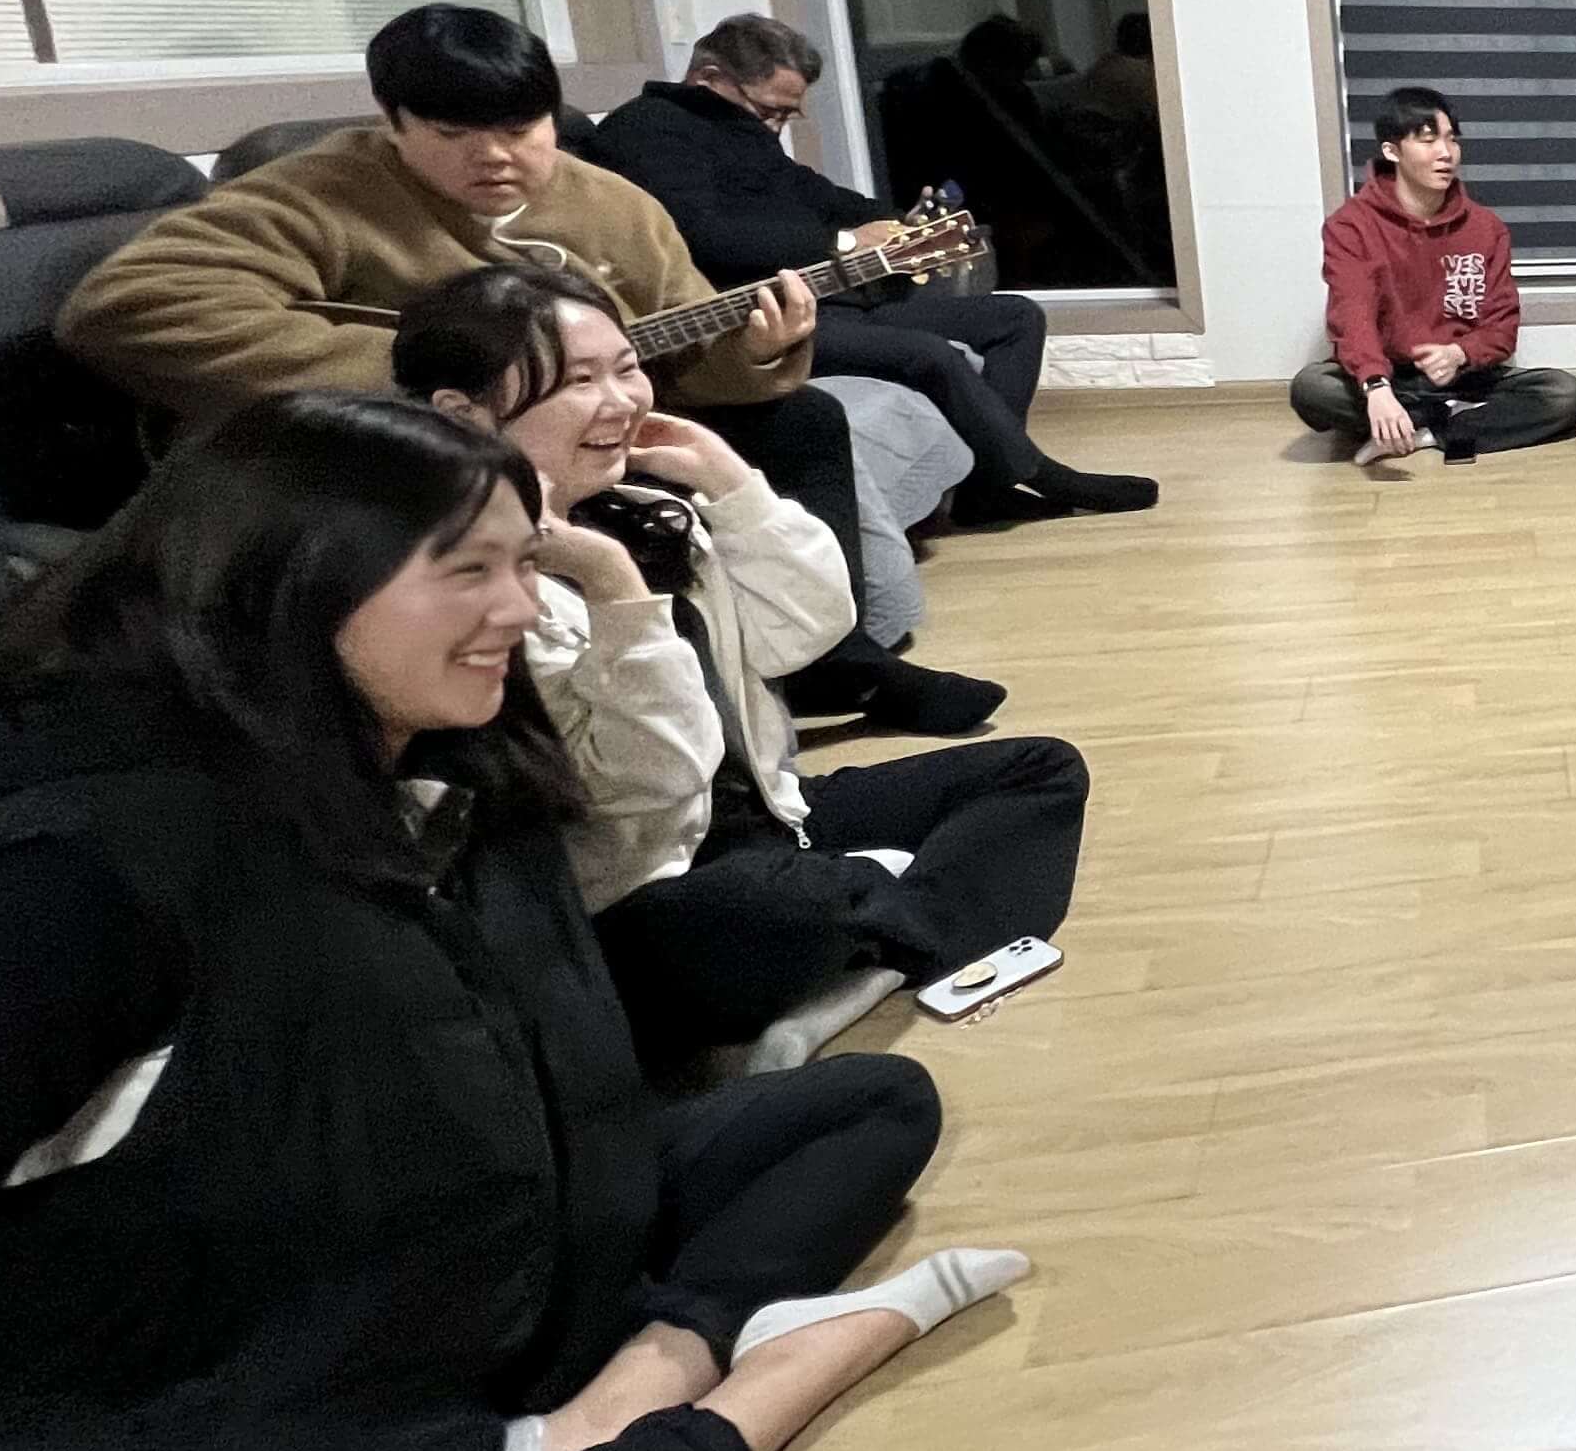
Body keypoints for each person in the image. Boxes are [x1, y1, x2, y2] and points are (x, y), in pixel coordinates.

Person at [0, 393, 1024, 1451]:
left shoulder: (444, 769)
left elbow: (637, 863)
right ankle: (751, 1388)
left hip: (474, 1274)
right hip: (249, 1406)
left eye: (522, 563)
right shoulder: (78, 872)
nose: (519, 607)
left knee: (868, 1108)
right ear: (293, 582)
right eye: (468, 570)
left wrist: (619, 1335)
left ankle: (647, 1378)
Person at [58, 2, 1000, 737]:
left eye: (523, 127)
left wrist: (753, 352)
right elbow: (130, 306)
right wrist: (449, 374)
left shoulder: (612, 207)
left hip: (570, 429)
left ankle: (836, 659)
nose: (498, 157)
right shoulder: (323, 190)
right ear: (392, 122)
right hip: (410, 452)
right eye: (453, 134)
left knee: (800, 419)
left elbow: (677, 348)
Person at [394, 267, 1091, 1078]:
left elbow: (807, 633)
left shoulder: (640, 511)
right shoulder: (472, 588)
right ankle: (872, 930)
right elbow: (653, 778)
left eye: (626, 368)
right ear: (463, 414)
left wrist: (727, 479)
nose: (620, 401)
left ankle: (874, 949)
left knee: (1040, 770)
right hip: (642, 893)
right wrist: (612, 585)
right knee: (781, 905)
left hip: (765, 817)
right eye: (579, 382)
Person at [581, 14, 1157, 524]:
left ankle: (986, 490)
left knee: (1015, 318)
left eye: (786, 115)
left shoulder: (740, 131)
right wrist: (846, 241)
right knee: (930, 356)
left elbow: (812, 192)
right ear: (710, 79)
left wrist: (891, 223)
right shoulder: (647, 129)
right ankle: (1038, 474)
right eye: (770, 111)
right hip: (756, 321)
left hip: (835, 300)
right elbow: (704, 235)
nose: (776, 126)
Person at [1285, 88, 1576, 461]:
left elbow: (1502, 326)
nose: (1446, 153)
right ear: (1391, 151)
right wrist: (1376, 386)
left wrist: (1461, 353)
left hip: (1464, 377)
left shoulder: (1486, 228)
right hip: (1390, 377)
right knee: (1312, 388)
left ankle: (1426, 432)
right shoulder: (1351, 226)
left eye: (1452, 139)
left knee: (1564, 394)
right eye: (1428, 141)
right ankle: (1450, 422)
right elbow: (1353, 315)